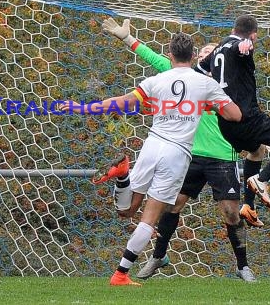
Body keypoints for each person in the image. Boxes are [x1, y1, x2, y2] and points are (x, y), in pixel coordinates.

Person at [60, 32, 242, 286]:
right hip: (177, 154)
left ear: (170, 55)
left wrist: (81, 107)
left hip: (152, 146)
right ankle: (120, 274)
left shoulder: (157, 80)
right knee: (149, 218)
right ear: (193, 57)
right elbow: (235, 115)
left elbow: (121, 103)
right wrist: (211, 105)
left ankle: (123, 176)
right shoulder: (206, 84)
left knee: (127, 211)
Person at [99, 18, 256, 282]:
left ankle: (242, 266)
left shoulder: (227, 85)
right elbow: (154, 58)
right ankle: (158, 256)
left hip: (222, 157)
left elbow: (243, 113)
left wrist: (256, 138)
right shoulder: (186, 78)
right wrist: (127, 38)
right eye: (204, 52)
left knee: (230, 212)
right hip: (187, 155)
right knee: (171, 206)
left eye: (213, 52)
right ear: (196, 58)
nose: (208, 55)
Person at [195, 15, 270, 215]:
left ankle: (249, 205)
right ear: (254, 35)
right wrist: (245, 46)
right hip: (248, 119)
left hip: (226, 125)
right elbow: (242, 48)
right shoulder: (241, 45)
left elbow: (197, 71)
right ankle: (261, 179)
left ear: (233, 29)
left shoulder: (217, 49)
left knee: (256, 151)